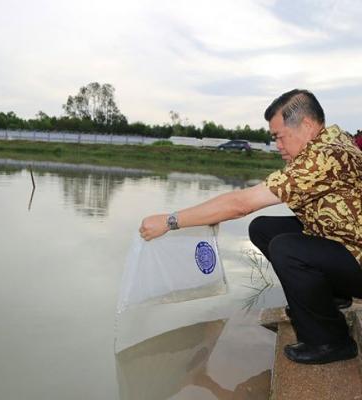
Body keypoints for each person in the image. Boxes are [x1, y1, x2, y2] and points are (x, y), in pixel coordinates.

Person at [139, 89, 362, 365]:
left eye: (279, 136)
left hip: (356, 257)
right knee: (263, 229)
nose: (277, 145)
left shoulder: (321, 158)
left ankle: (330, 341)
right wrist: (210, 214)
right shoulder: (336, 138)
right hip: (346, 243)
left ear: (306, 125)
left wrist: (169, 221)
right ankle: (331, 297)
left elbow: (241, 204)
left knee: (286, 248)